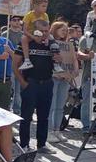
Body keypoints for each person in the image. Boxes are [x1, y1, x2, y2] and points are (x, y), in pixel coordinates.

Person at [12, 19, 60, 155]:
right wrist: (23, 83)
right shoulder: (26, 43)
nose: (44, 34)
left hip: (47, 82)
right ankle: (24, 145)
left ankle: (42, 144)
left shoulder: (52, 44)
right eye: (41, 31)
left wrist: (58, 58)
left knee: (44, 116)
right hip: (31, 83)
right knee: (26, 116)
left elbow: (59, 60)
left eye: (46, 31)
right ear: (34, 31)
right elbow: (15, 65)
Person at [47, 21, 78, 144]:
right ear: (55, 30)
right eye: (62, 30)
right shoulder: (48, 43)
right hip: (53, 77)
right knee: (51, 105)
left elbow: (74, 58)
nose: (65, 32)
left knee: (60, 106)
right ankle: (49, 131)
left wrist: (75, 71)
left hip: (66, 78)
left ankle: (57, 130)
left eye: (66, 30)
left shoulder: (69, 45)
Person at [18, 0, 50, 71]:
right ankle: (27, 60)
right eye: (43, 6)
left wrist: (46, 38)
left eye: (46, 6)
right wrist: (33, 37)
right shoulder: (29, 15)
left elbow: (47, 28)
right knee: (23, 38)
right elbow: (24, 30)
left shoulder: (45, 15)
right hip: (31, 34)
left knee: (52, 38)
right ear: (35, 6)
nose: (45, 8)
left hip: (42, 34)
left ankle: (56, 62)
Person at [3, 16, 23, 114]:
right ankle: (6, 108)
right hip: (9, 64)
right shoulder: (5, 34)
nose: (17, 22)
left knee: (18, 90)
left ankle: (17, 109)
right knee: (10, 88)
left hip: (21, 65)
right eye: (14, 20)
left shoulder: (23, 34)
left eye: (18, 20)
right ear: (10, 22)